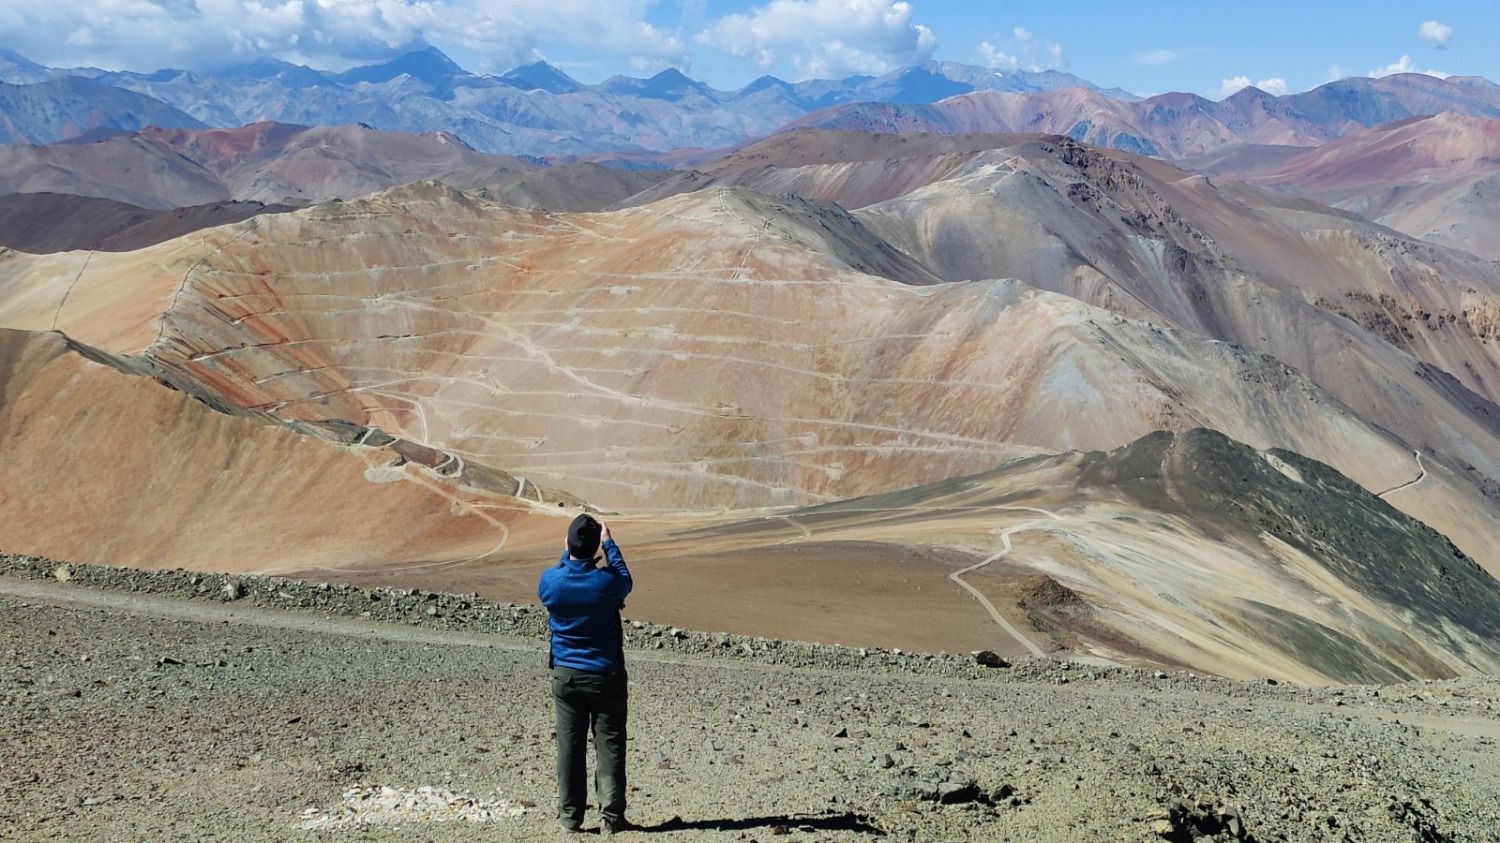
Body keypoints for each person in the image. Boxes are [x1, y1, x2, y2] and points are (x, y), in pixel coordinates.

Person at [537, 513, 633, 835]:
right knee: (609, 745)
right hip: (605, 675)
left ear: (567, 544)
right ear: (596, 548)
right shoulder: (606, 584)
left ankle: (570, 818)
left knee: (569, 746)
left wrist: (569, 555)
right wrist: (610, 545)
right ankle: (612, 819)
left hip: (565, 676)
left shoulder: (551, 582)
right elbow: (624, 578)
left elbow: (558, 579)